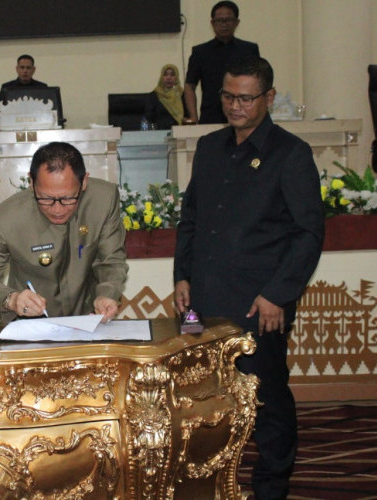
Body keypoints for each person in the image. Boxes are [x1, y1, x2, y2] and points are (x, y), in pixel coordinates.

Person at [173, 57, 324, 499]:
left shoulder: (291, 154)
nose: (235, 106)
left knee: (266, 399)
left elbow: (308, 232)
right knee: (201, 397)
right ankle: (209, 480)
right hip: (201, 300)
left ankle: (272, 485)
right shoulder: (209, 147)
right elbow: (192, 220)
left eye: (245, 97)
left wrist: (278, 294)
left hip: (260, 306)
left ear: (269, 98)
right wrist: (182, 276)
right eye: (227, 96)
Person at [0, 141, 128, 323]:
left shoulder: (103, 200)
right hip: (30, 326)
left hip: (87, 320)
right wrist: (11, 300)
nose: (57, 209)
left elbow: (111, 259)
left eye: (68, 198)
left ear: (84, 182)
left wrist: (106, 294)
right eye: (45, 199)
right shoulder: (6, 219)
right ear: (31, 182)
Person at [184, 1, 259, 124]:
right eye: (219, 20)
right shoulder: (200, 52)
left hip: (244, 114)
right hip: (211, 116)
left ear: (236, 22)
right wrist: (193, 118)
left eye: (228, 20)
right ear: (212, 23)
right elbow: (189, 86)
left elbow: (258, 83)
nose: (224, 24)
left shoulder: (249, 50)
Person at [146, 64, 186, 130]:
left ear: (176, 77)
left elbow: (187, 117)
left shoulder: (181, 94)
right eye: (165, 74)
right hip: (159, 133)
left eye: (172, 75)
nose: (169, 78)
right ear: (162, 77)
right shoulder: (154, 95)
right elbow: (149, 117)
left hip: (180, 133)